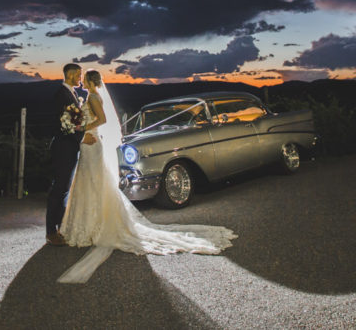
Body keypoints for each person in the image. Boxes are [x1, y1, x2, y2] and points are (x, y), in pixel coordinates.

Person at [57, 69, 236, 284]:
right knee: (86, 183)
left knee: (95, 183)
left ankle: (95, 225)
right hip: (87, 143)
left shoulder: (94, 97)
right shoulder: (87, 96)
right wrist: (79, 129)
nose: (81, 79)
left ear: (90, 81)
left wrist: (82, 127)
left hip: (93, 143)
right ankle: (83, 224)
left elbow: (102, 119)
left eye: (84, 77)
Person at [45, 63, 85, 246]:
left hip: (69, 147)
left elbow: (72, 122)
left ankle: (60, 227)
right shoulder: (61, 95)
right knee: (59, 189)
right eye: (78, 75)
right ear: (70, 75)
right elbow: (62, 125)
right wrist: (81, 139)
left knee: (64, 189)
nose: (80, 78)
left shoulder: (71, 93)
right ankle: (51, 231)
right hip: (63, 148)